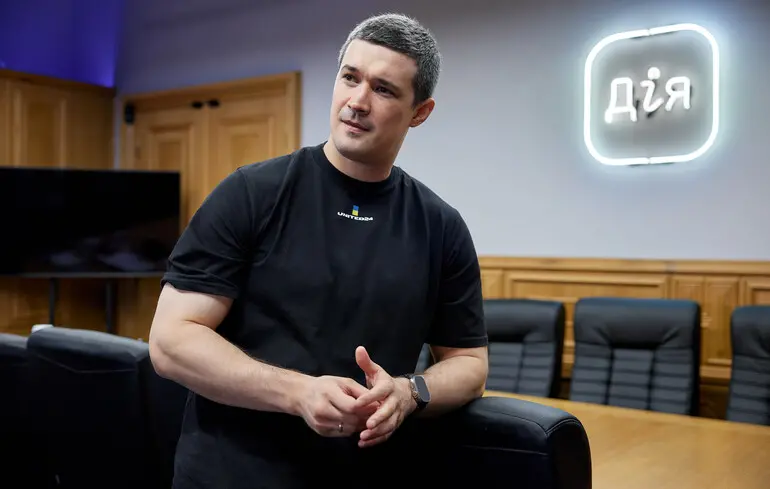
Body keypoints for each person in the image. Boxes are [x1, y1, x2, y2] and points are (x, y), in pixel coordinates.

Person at [148, 11, 489, 489]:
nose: (358, 101)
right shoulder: (251, 193)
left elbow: (470, 365)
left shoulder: (441, 227)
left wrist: (411, 392)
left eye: (383, 89)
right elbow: (170, 341)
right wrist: (297, 393)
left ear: (420, 112)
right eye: (350, 78)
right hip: (231, 474)